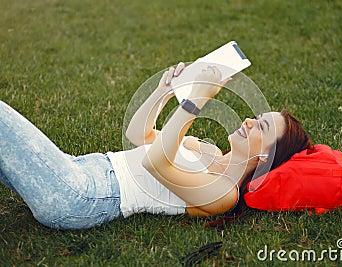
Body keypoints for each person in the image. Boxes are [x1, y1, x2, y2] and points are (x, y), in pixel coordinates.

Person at [0, 63, 310, 230]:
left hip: (83, 196)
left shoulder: (224, 194)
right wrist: (163, 92)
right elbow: (139, 135)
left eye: (261, 126)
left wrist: (197, 100)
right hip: (82, 167)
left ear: (266, 156)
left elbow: (157, 164)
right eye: (256, 116)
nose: (248, 121)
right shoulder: (209, 152)